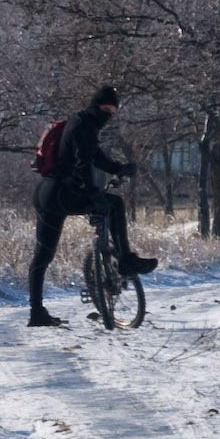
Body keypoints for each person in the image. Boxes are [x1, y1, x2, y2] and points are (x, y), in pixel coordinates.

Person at [25, 86, 157, 328]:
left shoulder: (78, 124)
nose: (108, 115)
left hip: (46, 192)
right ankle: (125, 259)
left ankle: (36, 312)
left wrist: (118, 168)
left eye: (112, 111)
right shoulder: (85, 126)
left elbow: (95, 156)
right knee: (115, 204)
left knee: (42, 255)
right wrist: (91, 192)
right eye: (105, 109)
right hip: (63, 193)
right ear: (95, 106)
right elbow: (83, 161)